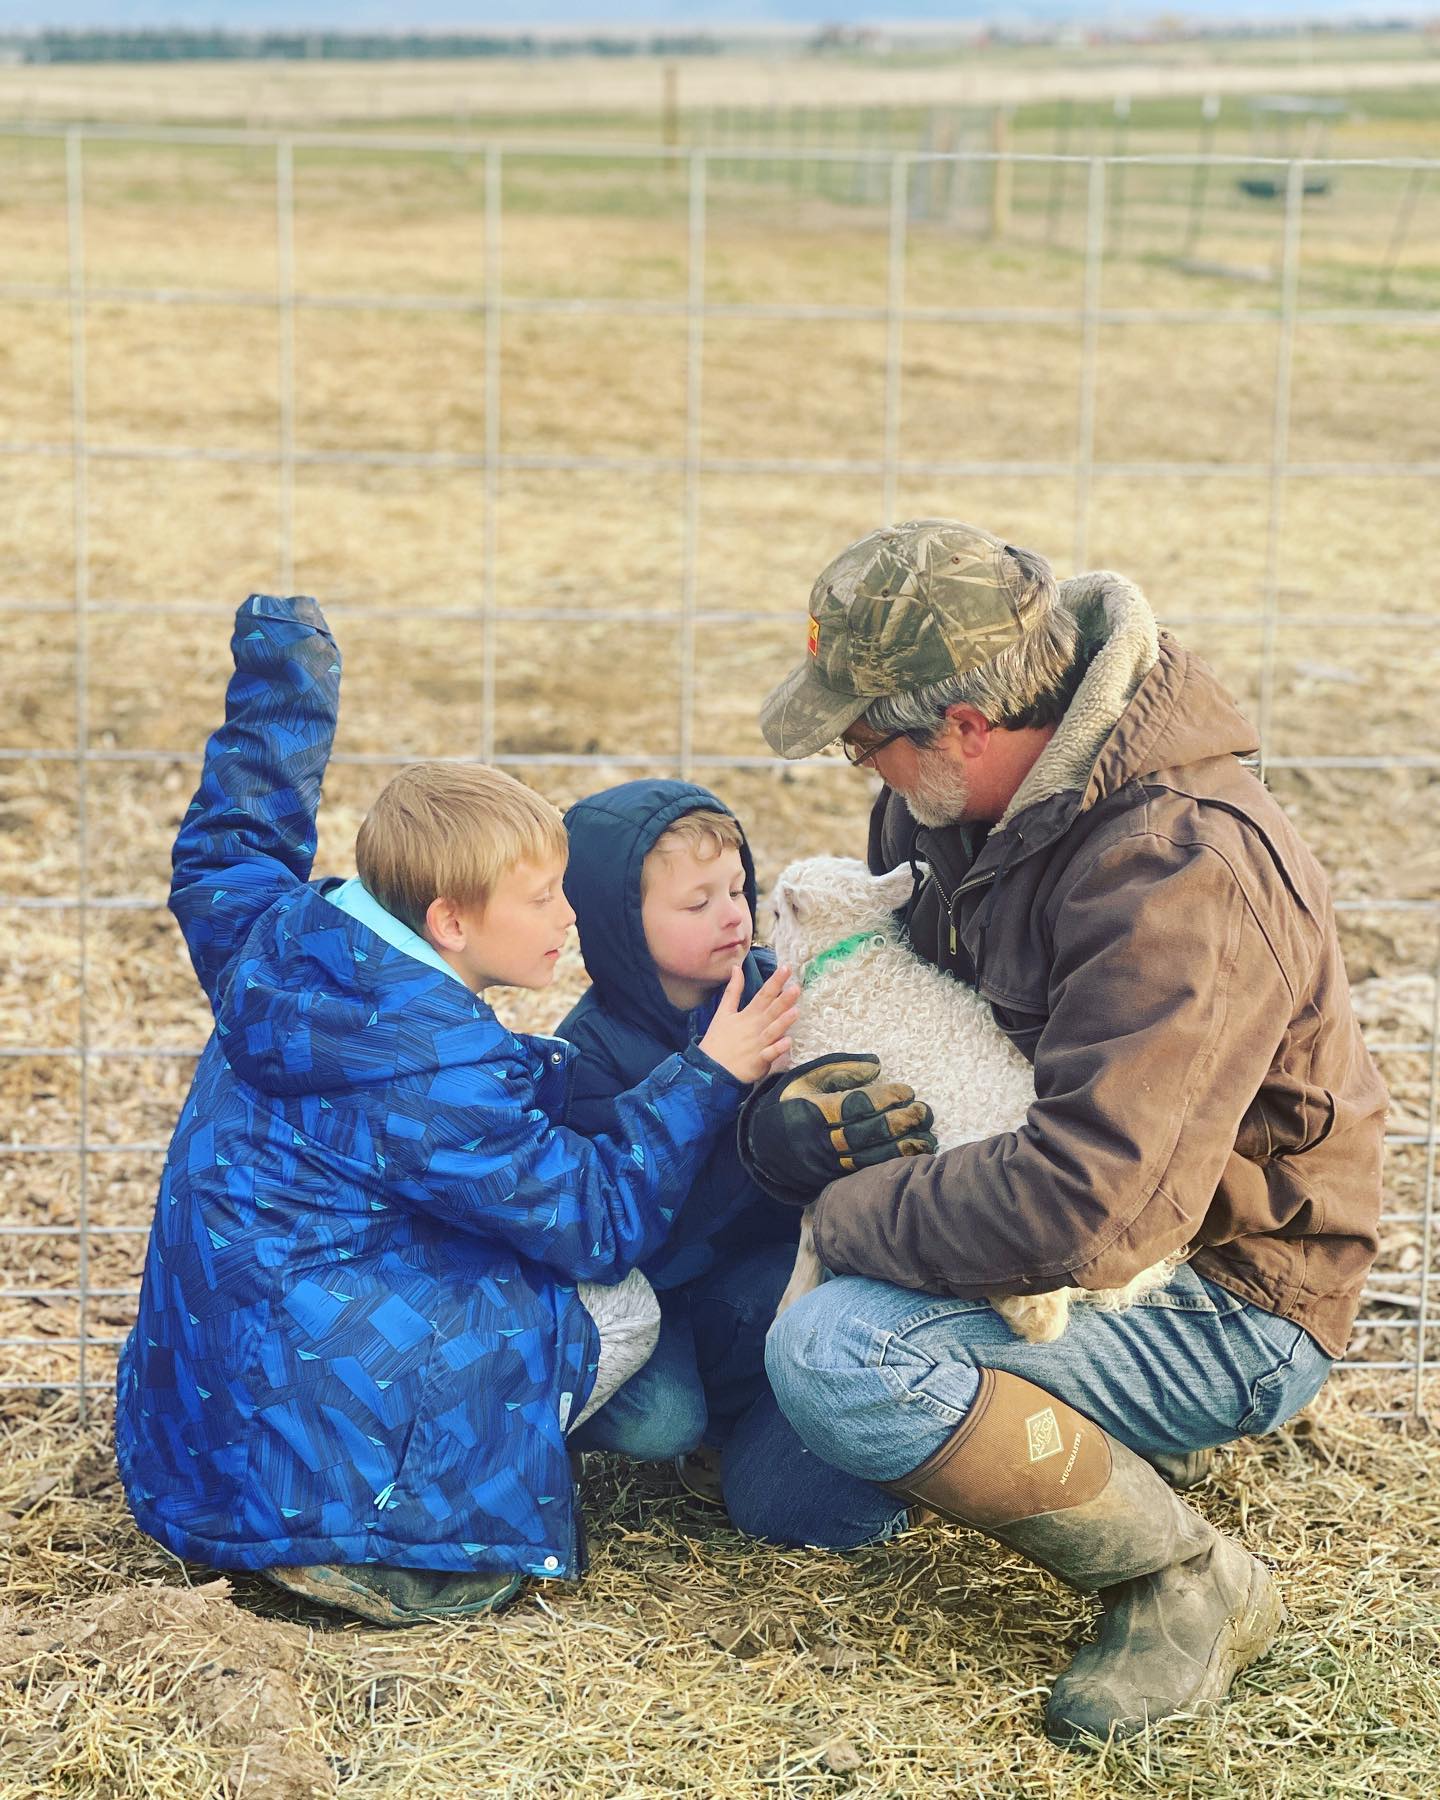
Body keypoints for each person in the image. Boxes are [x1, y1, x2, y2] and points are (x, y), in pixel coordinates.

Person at [743, 519, 1387, 1743]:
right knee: (794, 1496)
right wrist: (787, 1135)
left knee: (834, 1358)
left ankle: (1185, 1580)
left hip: (1216, 1283)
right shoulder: (940, 807)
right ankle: (1078, 1434)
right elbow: (908, 1028)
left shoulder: (1183, 867)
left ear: (965, 726)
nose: (858, 766)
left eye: (863, 740)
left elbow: (1094, 1211)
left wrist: (839, 1213)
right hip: (1041, 1218)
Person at [114, 593, 801, 1628]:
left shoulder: (281, 938)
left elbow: (230, 843)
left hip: (214, 1406)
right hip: (300, 1454)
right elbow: (597, 1220)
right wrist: (710, 1073)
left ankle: (332, 1497)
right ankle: (378, 1538)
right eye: (542, 898)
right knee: (621, 1307)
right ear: (449, 921)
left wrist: (286, 682)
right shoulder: (433, 1059)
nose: (570, 915)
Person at [559, 780, 925, 1549]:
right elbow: (626, 1236)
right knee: (664, 1419)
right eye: (697, 903)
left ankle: (853, 1419)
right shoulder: (586, 1057)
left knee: (778, 1308)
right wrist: (753, 1141)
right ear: (616, 922)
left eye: (738, 888)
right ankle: (721, 1421)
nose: (733, 915)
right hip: (665, 1292)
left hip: (774, 1269)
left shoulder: (782, 987)